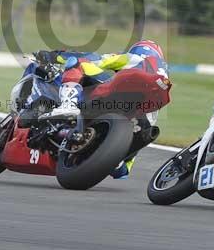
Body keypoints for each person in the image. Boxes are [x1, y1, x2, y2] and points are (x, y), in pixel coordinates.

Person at [35, 40, 168, 179]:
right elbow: (123, 173)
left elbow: (97, 60)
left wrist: (56, 56)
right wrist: (116, 160)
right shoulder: (159, 80)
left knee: (76, 63)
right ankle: (118, 159)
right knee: (127, 159)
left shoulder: (134, 58)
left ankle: (68, 104)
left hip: (115, 96)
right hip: (141, 113)